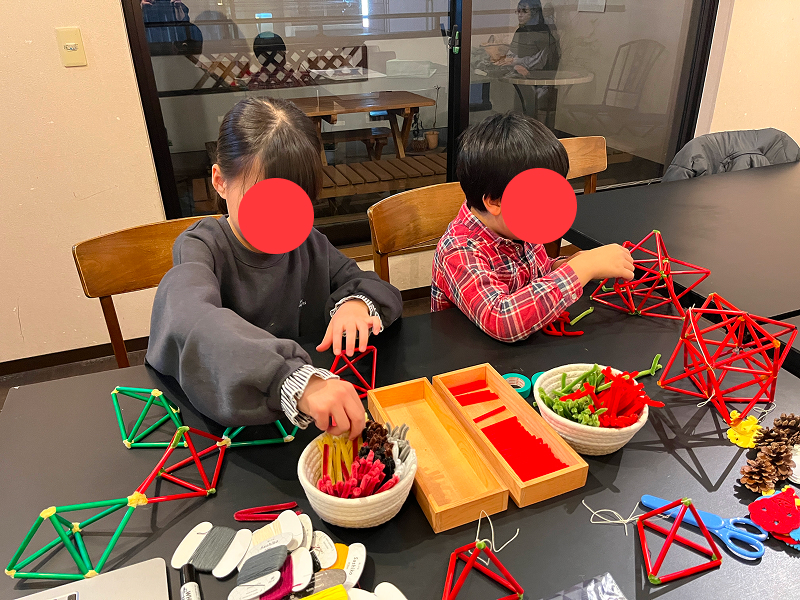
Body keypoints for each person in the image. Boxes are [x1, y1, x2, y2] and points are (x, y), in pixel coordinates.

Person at [146, 98, 402, 439]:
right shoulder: (202, 246)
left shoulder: (307, 243)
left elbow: (369, 284)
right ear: (220, 181)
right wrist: (292, 378)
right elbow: (189, 317)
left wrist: (355, 304)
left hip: (309, 421)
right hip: (238, 426)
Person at [431, 113, 634, 343]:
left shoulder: (517, 227)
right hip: (470, 354)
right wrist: (582, 268)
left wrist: (563, 266)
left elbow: (534, 272)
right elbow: (502, 320)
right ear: (495, 201)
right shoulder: (459, 250)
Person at [495, 0, 560, 77]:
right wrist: (503, 59)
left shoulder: (543, 33)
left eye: (524, 11)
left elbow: (539, 61)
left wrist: (514, 61)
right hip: (520, 74)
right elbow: (512, 53)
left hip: (540, 78)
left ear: (534, 13)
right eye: (518, 11)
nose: (520, 15)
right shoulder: (520, 31)